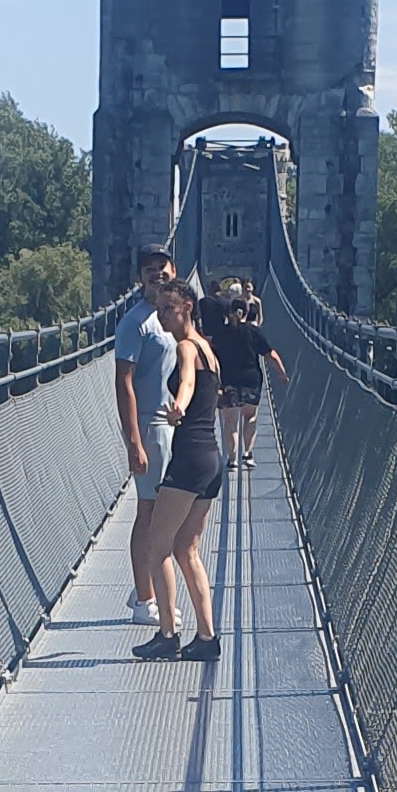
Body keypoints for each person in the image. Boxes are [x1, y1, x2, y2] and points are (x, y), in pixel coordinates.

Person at [134, 283, 225, 664]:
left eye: (167, 309)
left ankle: (167, 635)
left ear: (187, 306)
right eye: (158, 310)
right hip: (211, 460)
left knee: (156, 548)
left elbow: (186, 381)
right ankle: (206, 637)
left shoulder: (187, 347)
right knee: (186, 549)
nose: (161, 317)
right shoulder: (209, 349)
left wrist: (179, 407)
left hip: (189, 458)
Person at [109, 246, 177, 617]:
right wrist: (134, 441)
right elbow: (124, 382)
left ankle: (150, 592)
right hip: (149, 425)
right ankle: (144, 599)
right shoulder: (134, 322)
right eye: (149, 269)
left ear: (174, 271)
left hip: (170, 423)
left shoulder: (170, 316)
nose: (156, 273)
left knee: (164, 511)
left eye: (162, 267)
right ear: (140, 278)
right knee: (149, 511)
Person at [208, 277, 287, 466]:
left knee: (230, 422)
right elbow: (270, 355)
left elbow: (211, 356)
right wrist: (281, 373)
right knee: (250, 417)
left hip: (228, 381)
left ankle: (232, 459)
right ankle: (247, 455)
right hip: (251, 381)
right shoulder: (253, 331)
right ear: (245, 312)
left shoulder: (220, 333)